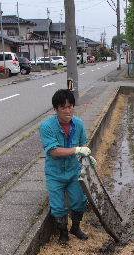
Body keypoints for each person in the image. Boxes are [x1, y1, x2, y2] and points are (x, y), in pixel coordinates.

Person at [40, 89, 92, 243]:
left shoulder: (79, 123)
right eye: (63, 107)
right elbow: (54, 151)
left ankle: (75, 228)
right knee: (57, 206)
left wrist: (87, 157)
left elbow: (83, 144)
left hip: (73, 171)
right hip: (55, 173)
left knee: (79, 201)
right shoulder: (47, 126)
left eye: (70, 106)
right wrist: (76, 150)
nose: (68, 110)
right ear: (56, 109)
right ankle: (63, 233)